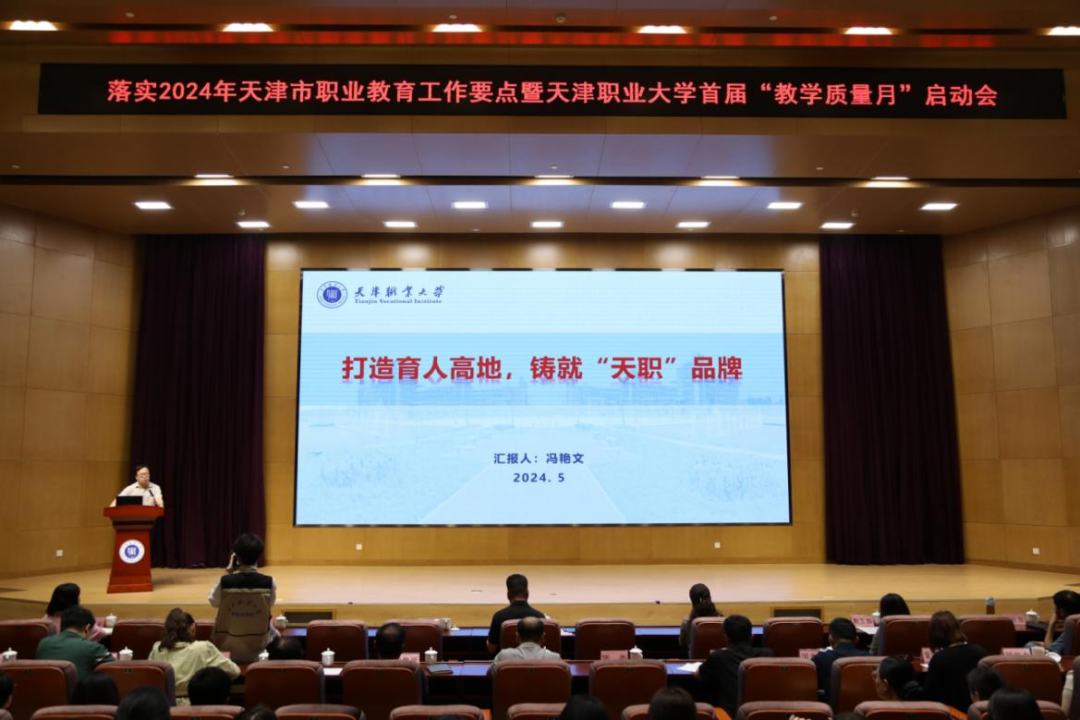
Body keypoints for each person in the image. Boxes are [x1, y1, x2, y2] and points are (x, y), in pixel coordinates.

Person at [149, 608, 240, 704]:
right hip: (196, 706)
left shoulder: (157, 648)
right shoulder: (204, 648)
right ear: (193, 628)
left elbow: (150, 680)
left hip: (162, 706)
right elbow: (234, 671)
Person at [208, 533, 277, 661]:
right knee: (272, 623)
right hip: (259, 648)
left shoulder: (225, 581)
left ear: (236, 557)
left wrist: (228, 574)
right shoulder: (269, 582)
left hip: (227, 648)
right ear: (259, 556)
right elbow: (270, 605)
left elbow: (213, 602)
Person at [695, 614, 775, 718]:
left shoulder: (719, 656)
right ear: (752, 637)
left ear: (726, 638)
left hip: (729, 716)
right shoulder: (768, 654)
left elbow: (698, 675)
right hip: (761, 716)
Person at [922, 610, 988, 711]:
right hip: (979, 713)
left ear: (934, 635)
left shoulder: (939, 659)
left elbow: (930, 697)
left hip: (951, 714)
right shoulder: (981, 651)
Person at [36, 606, 113, 679]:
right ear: (87, 628)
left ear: (63, 625)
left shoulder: (43, 643)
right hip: (79, 688)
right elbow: (113, 669)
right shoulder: (94, 648)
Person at [487, 574, 546, 654]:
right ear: (527, 594)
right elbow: (543, 646)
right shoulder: (539, 617)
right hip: (535, 661)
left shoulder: (499, 616)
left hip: (506, 661)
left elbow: (491, 648)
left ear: (508, 595)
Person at [813, 618, 869, 702]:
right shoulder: (869, 658)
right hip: (863, 708)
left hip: (831, 709)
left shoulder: (820, 659)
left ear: (830, 639)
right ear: (857, 640)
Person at [374, 622, 429, 701]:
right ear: (402, 647)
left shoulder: (358, 669)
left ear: (375, 645)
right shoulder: (415, 670)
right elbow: (424, 697)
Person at [43, 583, 108, 643]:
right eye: (78, 596)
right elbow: (101, 633)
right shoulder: (80, 621)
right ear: (72, 600)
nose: (79, 599)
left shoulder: (46, 619)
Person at [494, 617, 561, 663]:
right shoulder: (554, 658)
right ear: (543, 637)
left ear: (517, 636)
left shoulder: (503, 656)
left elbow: (491, 675)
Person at [1032, 590, 1080, 654]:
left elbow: (1050, 651)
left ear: (1062, 611)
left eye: (1056, 606)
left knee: (1029, 645)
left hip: (1062, 659)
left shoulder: (1071, 625)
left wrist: (1051, 624)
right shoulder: (1076, 621)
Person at [678, 583, 722, 652]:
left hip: (696, 658)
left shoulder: (687, 624)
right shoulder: (722, 621)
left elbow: (683, 644)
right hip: (718, 658)